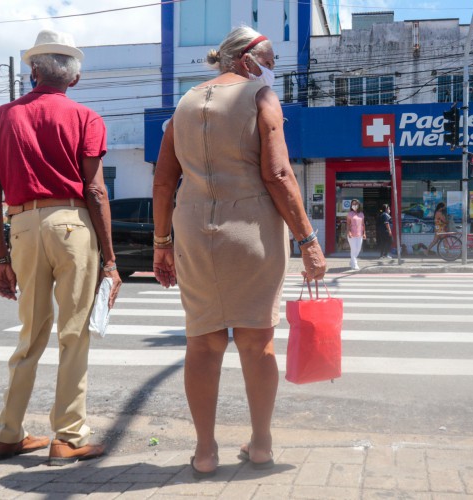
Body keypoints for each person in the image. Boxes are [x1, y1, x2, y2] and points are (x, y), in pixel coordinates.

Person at [151, 27, 326, 478]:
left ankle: (205, 451)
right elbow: (279, 173)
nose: (272, 67)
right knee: (256, 339)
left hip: (192, 229)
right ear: (247, 60)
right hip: (251, 229)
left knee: (203, 342)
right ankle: (261, 444)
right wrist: (308, 241)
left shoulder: (184, 104)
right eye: (268, 58)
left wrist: (161, 244)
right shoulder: (260, 95)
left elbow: (164, 181)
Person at [0, 29, 121, 466]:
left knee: (30, 334)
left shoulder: (4, 116)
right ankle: (69, 436)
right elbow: (95, 191)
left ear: (33, 71)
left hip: (21, 223)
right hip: (71, 223)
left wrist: (0, 257)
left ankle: (7, 434)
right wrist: (112, 261)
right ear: (73, 79)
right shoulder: (85, 118)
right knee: (73, 333)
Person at [346, 199, 366, 270]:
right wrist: (349, 232)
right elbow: (348, 224)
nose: (354, 205)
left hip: (359, 234)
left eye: (356, 204)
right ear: (351, 205)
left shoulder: (361, 214)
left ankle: (352, 260)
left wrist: (364, 233)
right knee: (353, 249)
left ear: (359, 205)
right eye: (353, 204)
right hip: (352, 235)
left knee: (358, 249)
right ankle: (355, 264)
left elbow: (363, 224)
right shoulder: (350, 214)